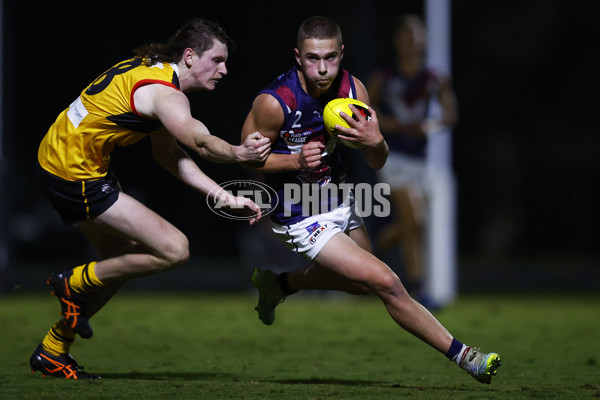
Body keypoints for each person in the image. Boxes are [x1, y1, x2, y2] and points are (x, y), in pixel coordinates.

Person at [241, 16, 500, 384]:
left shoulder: (353, 90)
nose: (322, 68)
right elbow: (244, 155)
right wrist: (292, 163)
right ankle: (465, 355)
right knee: (387, 282)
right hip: (298, 212)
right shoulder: (274, 103)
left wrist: (376, 141)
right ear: (297, 56)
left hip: (338, 199)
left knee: (360, 285)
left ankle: (279, 286)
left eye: (330, 57)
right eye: (313, 58)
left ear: (341, 53)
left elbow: (376, 160)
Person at [29, 18, 271, 379]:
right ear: (190, 56)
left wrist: (223, 196)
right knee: (175, 249)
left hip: (59, 161)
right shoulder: (166, 94)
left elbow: (169, 156)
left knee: (122, 261)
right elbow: (200, 142)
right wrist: (239, 154)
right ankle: (73, 282)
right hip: (73, 172)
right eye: (217, 60)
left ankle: (52, 350)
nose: (224, 69)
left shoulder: (155, 69)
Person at [367, 14, 459, 304]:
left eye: (415, 36)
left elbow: (450, 116)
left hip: (420, 159)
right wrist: (391, 125)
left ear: (423, 42)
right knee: (416, 221)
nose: (410, 42)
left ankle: (369, 250)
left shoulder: (435, 79)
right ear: (397, 41)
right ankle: (420, 290)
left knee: (411, 225)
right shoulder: (383, 78)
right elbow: (363, 110)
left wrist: (428, 126)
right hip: (392, 157)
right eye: (405, 36)